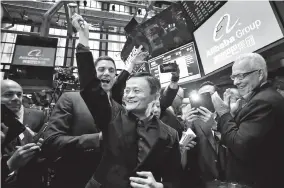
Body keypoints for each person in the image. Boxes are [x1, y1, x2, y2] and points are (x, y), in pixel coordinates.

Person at [42, 14, 152, 188]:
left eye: (111, 70)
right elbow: (51, 142)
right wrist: (97, 139)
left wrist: (131, 66)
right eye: (101, 69)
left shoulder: (118, 104)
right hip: (73, 180)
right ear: (93, 74)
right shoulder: (70, 99)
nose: (107, 73)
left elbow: (118, 84)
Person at [76, 40, 181, 188]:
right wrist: (83, 39)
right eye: (127, 91)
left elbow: (175, 179)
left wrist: (159, 186)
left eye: (136, 91)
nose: (129, 95)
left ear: (154, 97)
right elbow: (90, 89)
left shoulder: (170, 135)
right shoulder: (112, 116)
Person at [211, 53, 284, 188]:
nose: (235, 82)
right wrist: (230, 116)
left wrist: (224, 113)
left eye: (241, 76)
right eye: (234, 77)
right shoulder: (262, 98)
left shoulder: (263, 102)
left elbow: (240, 145)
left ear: (260, 74)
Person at [181, 81, 227, 188]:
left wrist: (215, 126)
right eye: (202, 96)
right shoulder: (194, 122)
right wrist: (187, 125)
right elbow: (184, 149)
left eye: (208, 95)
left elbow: (235, 144)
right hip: (206, 180)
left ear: (217, 97)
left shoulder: (226, 116)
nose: (205, 99)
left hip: (230, 177)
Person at [1, 79, 45, 188]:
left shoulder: (38, 115)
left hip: (31, 179)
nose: (16, 98)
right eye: (8, 94)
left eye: (19, 95)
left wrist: (41, 143)